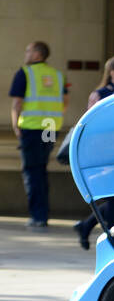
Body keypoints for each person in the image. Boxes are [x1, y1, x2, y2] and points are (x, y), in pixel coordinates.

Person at [73, 54, 114, 248]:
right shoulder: (100, 95)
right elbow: (90, 128)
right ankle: (113, 243)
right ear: (113, 73)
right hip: (107, 156)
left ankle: (87, 225)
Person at [9, 41, 68, 229]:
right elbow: (65, 101)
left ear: (37, 54)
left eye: (28, 50)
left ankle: (38, 216)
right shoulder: (57, 75)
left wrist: (15, 125)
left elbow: (17, 103)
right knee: (41, 168)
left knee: (32, 171)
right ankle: (42, 213)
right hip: (50, 127)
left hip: (32, 129)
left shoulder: (25, 73)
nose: (26, 53)